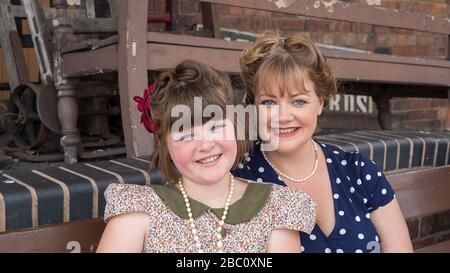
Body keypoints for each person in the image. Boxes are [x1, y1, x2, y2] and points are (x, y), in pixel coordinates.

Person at [96, 60, 317, 253]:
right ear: (165, 144)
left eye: (216, 127)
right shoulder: (139, 211)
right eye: (186, 135)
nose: (205, 145)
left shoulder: (276, 208)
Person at [232, 32, 413, 253]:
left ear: (319, 102)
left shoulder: (358, 172)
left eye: (298, 101)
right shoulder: (240, 181)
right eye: (269, 102)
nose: (283, 116)